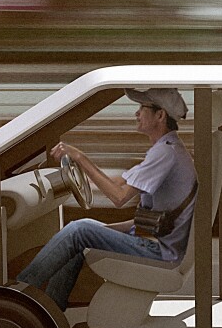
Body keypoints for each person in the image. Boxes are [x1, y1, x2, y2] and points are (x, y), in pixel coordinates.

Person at [16, 88, 197, 311]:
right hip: (158, 243)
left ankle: (16, 295)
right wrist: (105, 229)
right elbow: (121, 184)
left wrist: (79, 157)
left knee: (78, 230)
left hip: (160, 252)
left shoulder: (165, 154)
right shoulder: (168, 149)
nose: (136, 113)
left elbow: (118, 197)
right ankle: (52, 311)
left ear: (160, 115)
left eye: (142, 108)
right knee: (79, 235)